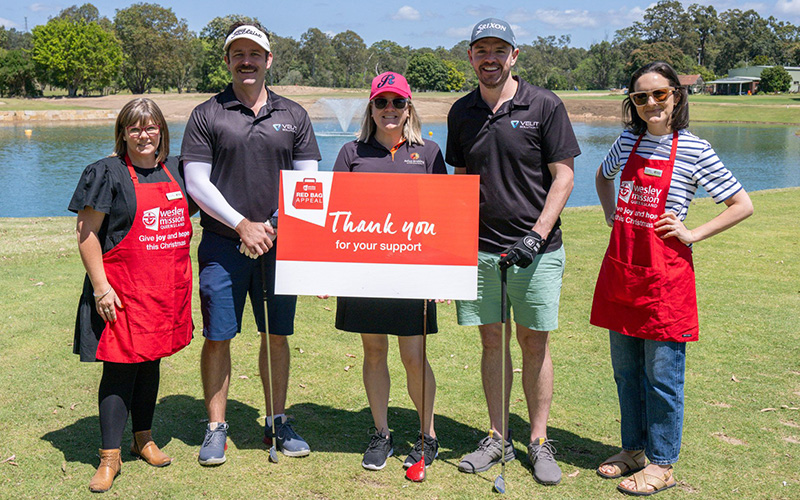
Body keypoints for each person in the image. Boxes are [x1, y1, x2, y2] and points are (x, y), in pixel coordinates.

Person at [591, 61, 753, 496]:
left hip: (665, 281)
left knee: (662, 377)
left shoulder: (696, 150)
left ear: (676, 96)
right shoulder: (627, 141)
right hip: (623, 272)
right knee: (626, 373)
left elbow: (742, 204)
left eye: (659, 94)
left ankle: (662, 463)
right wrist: (610, 213)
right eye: (640, 97)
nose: (650, 104)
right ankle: (633, 450)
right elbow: (602, 177)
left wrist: (692, 232)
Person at [446, 18, 580, 485]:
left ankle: (539, 440)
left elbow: (563, 175)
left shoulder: (544, 104)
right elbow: (461, 180)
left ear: (514, 56)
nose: (490, 58)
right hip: (480, 251)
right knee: (491, 341)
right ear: (470, 57)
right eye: (481, 50)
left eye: (499, 50)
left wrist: (537, 235)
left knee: (534, 343)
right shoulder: (461, 111)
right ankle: (497, 435)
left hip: (536, 251)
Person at [181, 22, 321, 466]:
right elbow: (195, 181)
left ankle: (276, 419)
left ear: (268, 60)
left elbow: (309, 181)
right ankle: (216, 427)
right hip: (224, 244)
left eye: (254, 53)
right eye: (238, 53)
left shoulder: (294, 114)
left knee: (275, 335)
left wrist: (271, 227)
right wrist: (243, 225)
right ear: (227, 60)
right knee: (218, 336)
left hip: (280, 245)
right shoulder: (207, 113)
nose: (246, 60)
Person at [69, 98, 194, 492]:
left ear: (162, 131)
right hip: (122, 294)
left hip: (165, 292)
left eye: (151, 127)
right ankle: (110, 457)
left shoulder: (176, 170)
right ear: (123, 132)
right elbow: (86, 233)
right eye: (135, 128)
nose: (144, 135)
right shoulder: (105, 173)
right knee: (121, 369)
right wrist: (101, 287)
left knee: (151, 363)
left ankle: (144, 439)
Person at [332, 72, 446, 471]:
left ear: (409, 107)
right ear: (372, 108)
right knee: (374, 350)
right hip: (365, 270)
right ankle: (382, 434)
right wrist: (326, 271)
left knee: (414, 355)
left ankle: (427, 435)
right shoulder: (351, 153)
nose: (390, 110)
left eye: (398, 102)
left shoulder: (428, 153)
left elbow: (443, 216)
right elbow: (335, 217)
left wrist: (441, 274)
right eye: (382, 102)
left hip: (412, 271)